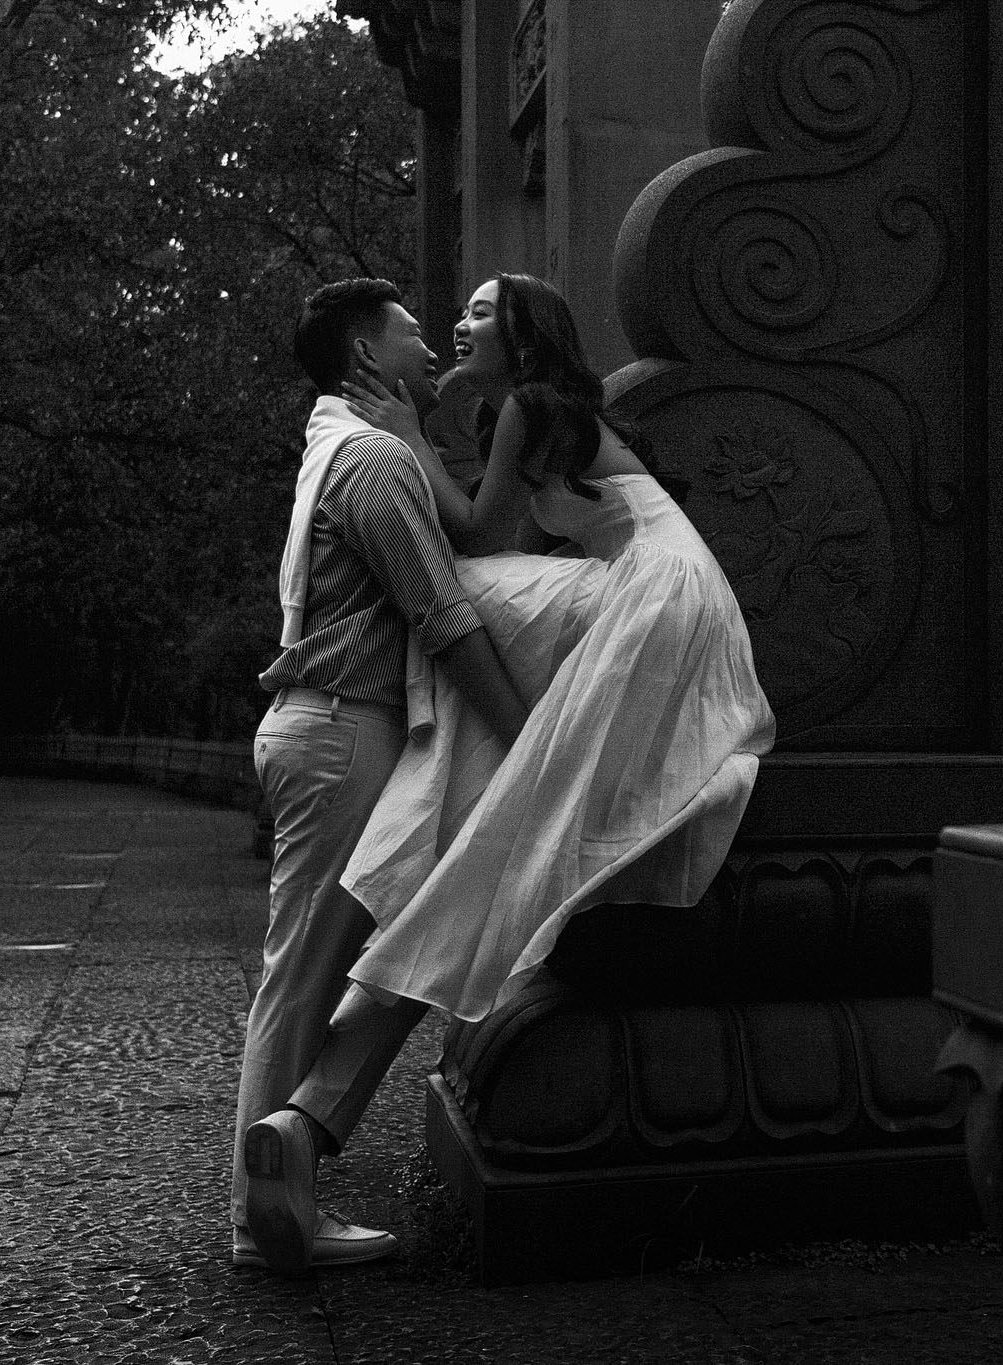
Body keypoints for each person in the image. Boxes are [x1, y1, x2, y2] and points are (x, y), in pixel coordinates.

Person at [241, 273, 773, 1256]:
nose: (456, 324)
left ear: (525, 333)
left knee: (458, 642)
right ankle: (304, 1119)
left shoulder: (527, 405)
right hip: (647, 603)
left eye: (480, 312)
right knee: (486, 835)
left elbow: (479, 545)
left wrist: (411, 436)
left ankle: (305, 1110)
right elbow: (503, 546)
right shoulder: (527, 420)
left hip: (650, 607)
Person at [234, 279, 531, 1277]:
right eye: (409, 329)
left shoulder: (347, 448)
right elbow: (441, 615)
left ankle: (278, 1183)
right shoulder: (370, 461)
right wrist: (526, 735)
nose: (430, 339)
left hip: (330, 729)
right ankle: (263, 1214)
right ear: (365, 354)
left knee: (332, 962)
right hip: (341, 731)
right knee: (306, 975)